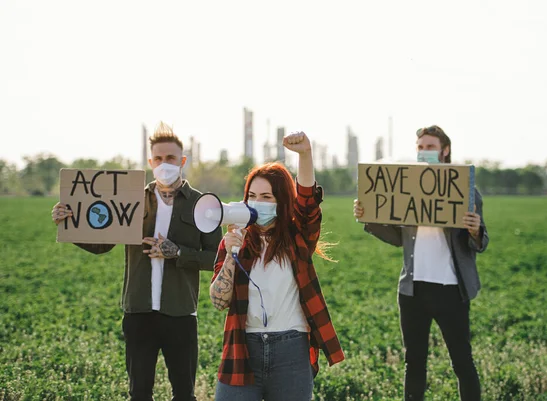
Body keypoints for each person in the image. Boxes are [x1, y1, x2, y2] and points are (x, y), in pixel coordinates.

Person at [51, 122, 222, 401]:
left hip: (180, 314)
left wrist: (177, 252)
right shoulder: (131, 200)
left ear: (182, 160)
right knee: (139, 393)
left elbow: (216, 258)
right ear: (150, 161)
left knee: (184, 394)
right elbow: (102, 243)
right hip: (138, 312)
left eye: (170, 158)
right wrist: (70, 224)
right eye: (158, 158)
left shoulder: (202, 205)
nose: (164, 164)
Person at [353, 125, 489, 401]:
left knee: (462, 362)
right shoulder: (408, 189)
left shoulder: (466, 191)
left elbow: (480, 243)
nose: (424, 152)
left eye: (430, 147)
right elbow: (397, 238)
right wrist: (369, 217)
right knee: (413, 363)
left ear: (445, 150)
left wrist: (475, 230)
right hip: (413, 290)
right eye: (420, 147)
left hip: (452, 290)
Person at [209, 131, 345, 401]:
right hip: (242, 347)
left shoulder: (298, 237)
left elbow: (307, 202)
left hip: (290, 350)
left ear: (282, 201)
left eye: (267, 197)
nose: (257, 202)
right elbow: (218, 301)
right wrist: (230, 254)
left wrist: (305, 155)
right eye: (252, 195)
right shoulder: (234, 241)